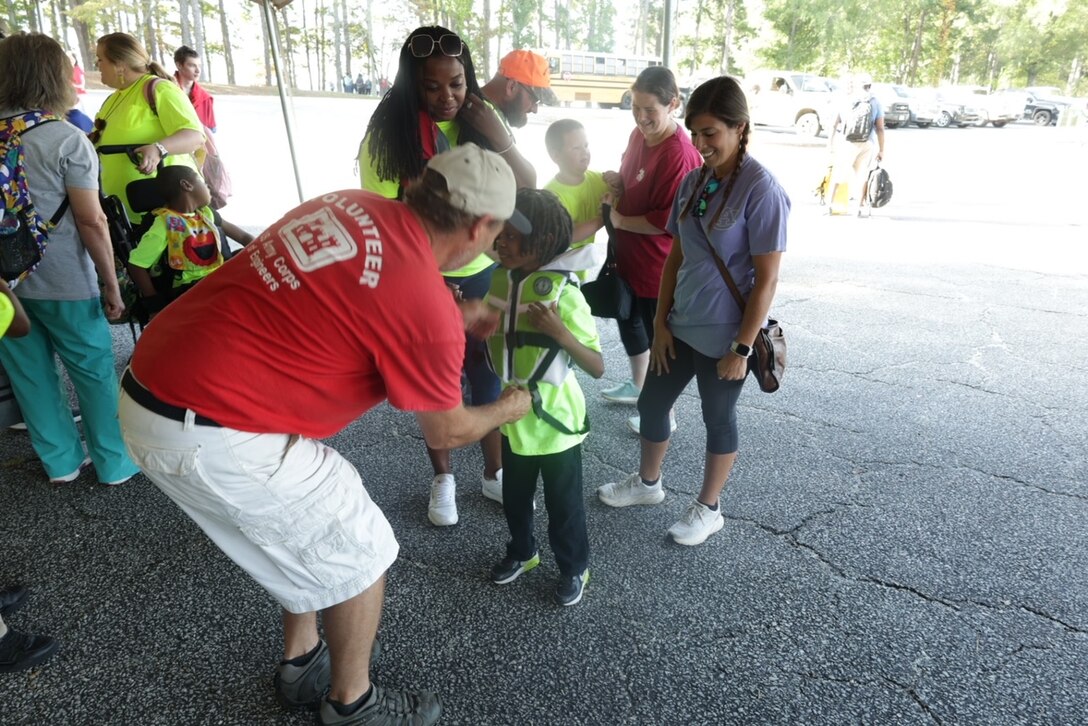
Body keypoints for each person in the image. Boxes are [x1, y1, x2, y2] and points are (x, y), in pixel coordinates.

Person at [118, 143, 531, 725]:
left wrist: (449, 318)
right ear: (481, 226)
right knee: (359, 551)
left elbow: (356, 291)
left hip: (156, 376)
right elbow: (450, 428)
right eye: (497, 232)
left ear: (420, 183)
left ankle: (302, 657)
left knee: (318, 512)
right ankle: (352, 703)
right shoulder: (423, 306)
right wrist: (508, 409)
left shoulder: (348, 203)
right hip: (207, 427)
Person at [596, 76, 789, 546]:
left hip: (727, 335)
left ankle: (709, 508)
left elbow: (766, 280)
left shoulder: (761, 190)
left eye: (711, 134)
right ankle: (647, 485)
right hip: (680, 326)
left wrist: (742, 348)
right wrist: (661, 323)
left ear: (740, 127)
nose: (701, 144)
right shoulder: (695, 180)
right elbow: (675, 258)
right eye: (695, 133)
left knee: (718, 419)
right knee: (652, 403)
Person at [356, 26, 530, 524]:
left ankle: (493, 474)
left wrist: (502, 139)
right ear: (412, 85)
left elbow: (528, 189)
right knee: (440, 380)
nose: (447, 96)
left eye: (456, 82)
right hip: (423, 270)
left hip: (485, 269)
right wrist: (428, 284)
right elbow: (387, 223)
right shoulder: (386, 137)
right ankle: (444, 477)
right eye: (432, 87)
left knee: (487, 371)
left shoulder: (483, 116)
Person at [0, 31, 137, 487]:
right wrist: (111, 284)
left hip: (6, 288)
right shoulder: (67, 139)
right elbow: (92, 222)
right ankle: (115, 463)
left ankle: (60, 461)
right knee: (93, 371)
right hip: (65, 281)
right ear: (53, 77)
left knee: (30, 374)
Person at [481, 189, 603, 606]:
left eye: (513, 236)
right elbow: (491, 333)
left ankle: (574, 567)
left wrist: (559, 332)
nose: (502, 241)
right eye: (501, 232)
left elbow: (597, 366)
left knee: (564, 507)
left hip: (555, 425)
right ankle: (523, 551)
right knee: (514, 498)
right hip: (513, 418)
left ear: (544, 241)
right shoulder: (500, 280)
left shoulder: (563, 294)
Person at [600, 66, 702, 435]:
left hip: (658, 267)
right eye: (636, 108)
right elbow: (633, 180)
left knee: (660, 339)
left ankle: (661, 411)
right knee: (630, 324)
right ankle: (640, 388)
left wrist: (621, 221)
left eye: (650, 111)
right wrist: (618, 181)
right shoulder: (638, 134)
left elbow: (668, 219)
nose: (642, 118)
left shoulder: (680, 154)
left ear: (673, 104)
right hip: (627, 259)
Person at [93, 32, 204, 223]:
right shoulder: (112, 100)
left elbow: (195, 136)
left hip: (165, 215)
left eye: (100, 59)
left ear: (119, 64)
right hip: (125, 218)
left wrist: (158, 148)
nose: (97, 65)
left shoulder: (160, 89)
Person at [127, 165, 252, 315]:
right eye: (202, 180)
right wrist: (154, 303)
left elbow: (244, 237)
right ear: (187, 185)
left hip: (217, 277)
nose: (208, 186)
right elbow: (136, 264)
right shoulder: (164, 223)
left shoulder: (206, 214)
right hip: (190, 290)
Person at [543, 118, 610, 281]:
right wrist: (605, 217)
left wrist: (618, 183)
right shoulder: (551, 196)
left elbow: (621, 194)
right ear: (555, 155)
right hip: (555, 274)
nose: (585, 152)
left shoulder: (598, 180)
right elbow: (568, 234)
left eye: (586, 146)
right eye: (576, 148)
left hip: (581, 271)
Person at [826, 72, 884, 216]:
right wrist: (882, 150)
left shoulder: (847, 99)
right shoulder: (875, 102)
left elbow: (834, 124)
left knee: (839, 174)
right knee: (861, 176)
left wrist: (830, 143)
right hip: (867, 144)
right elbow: (880, 128)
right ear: (870, 85)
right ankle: (857, 209)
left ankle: (829, 206)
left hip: (847, 142)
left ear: (858, 85)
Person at [173, 45, 216, 132]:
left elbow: (211, 131)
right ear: (179, 65)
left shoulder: (206, 98)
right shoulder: (164, 90)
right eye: (192, 65)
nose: (198, 70)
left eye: (199, 66)